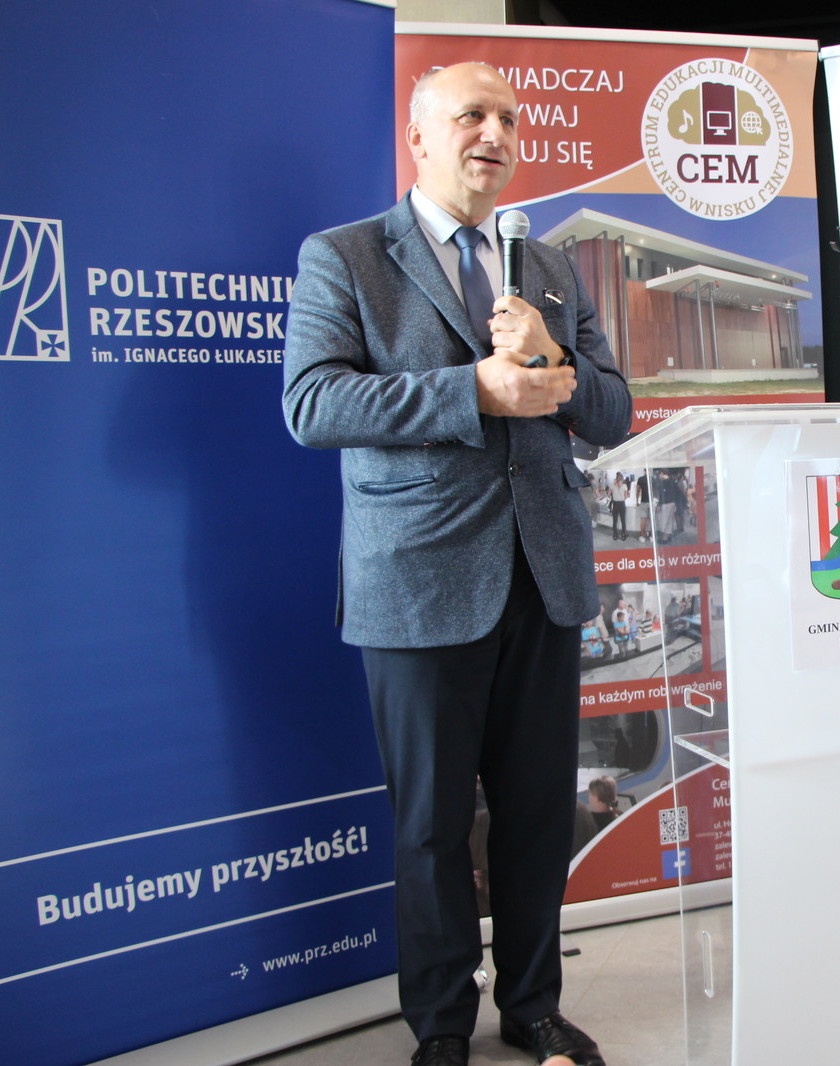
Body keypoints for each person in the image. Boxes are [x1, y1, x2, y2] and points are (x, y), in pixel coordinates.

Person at [281, 61, 630, 1066]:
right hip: (419, 579)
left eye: (509, 118)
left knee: (534, 816)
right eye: (472, 114)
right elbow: (313, 404)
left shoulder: (548, 267)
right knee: (433, 826)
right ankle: (440, 1025)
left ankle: (532, 1006)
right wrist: (471, 389)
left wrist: (552, 362)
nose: (496, 134)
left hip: (545, 576)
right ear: (420, 137)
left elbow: (612, 410)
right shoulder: (347, 256)